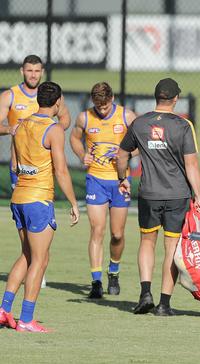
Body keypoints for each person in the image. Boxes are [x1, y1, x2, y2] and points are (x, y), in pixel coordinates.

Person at [116, 78, 200, 316]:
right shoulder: (183, 125)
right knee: (171, 248)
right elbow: (192, 164)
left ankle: (146, 293)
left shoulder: (140, 123)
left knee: (147, 242)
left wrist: (122, 178)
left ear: (157, 98)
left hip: (149, 193)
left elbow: (121, 154)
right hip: (177, 195)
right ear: (175, 99)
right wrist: (199, 196)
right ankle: (164, 304)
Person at [0, 82, 79, 333]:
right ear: (57, 103)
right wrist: (74, 203)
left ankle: (4, 310)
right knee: (40, 260)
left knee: (27, 255)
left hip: (19, 196)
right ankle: (26, 319)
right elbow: (62, 170)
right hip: (39, 199)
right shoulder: (54, 129)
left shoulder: (21, 125)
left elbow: (14, 165)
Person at [70, 82, 137, 299]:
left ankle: (114, 272)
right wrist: (82, 156)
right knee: (97, 230)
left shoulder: (127, 117)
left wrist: (127, 155)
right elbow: (74, 138)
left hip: (119, 181)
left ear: (113, 98)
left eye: (106, 106)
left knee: (117, 234)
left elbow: (141, 143)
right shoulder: (84, 118)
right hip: (96, 180)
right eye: (99, 106)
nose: (103, 110)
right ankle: (96, 281)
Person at [0, 55, 71, 186]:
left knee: (42, 199)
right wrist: (10, 129)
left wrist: (55, 130)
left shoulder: (51, 94)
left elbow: (65, 117)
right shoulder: (9, 96)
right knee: (20, 200)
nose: (33, 75)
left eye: (37, 71)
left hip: (44, 161)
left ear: (42, 72)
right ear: (22, 71)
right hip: (20, 160)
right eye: (29, 71)